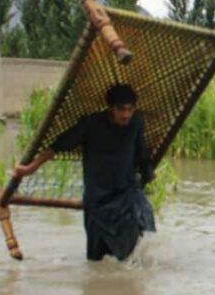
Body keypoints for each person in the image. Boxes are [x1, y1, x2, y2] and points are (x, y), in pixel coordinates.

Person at [13, 83, 156, 261]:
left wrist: (147, 168)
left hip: (126, 191)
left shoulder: (136, 122)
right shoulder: (91, 125)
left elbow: (141, 148)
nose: (126, 114)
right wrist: (30, 168)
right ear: (111, 108)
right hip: (98, 199)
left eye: (130, 109)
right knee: (96, 258)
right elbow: (57, 146)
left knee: (139, 224)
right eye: (121, 109)